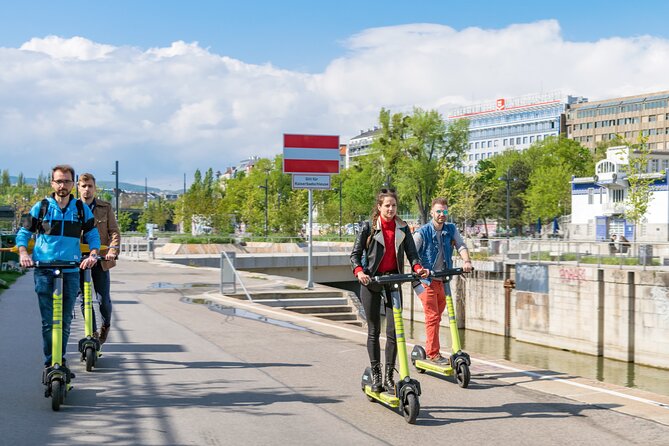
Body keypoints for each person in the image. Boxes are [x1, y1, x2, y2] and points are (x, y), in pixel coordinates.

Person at [17, 165, 100, 370]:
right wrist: (23, 253)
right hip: (44, 269)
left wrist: (93, 253)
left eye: (67, 181)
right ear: (52, 183)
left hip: (71, 270)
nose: (63, 185)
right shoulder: (41, 207)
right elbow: (23, 232)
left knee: (63, 321)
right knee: (48, 322)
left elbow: (93, 234)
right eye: (59, 181)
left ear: (73, 184)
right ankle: (51, 363)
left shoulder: (81, 209)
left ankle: (59, 360)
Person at [350, 188, 428, 392]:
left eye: (394, 205)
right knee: (374, 330)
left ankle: (389, 376)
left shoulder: (402, 229)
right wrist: (359, 272)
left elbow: (413, 255)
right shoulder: (369, 227)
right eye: (387, 205)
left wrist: (418, 268)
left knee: (394, 331)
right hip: (371, 282)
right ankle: (376, 374)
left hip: (393, 282)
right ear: (379, 207)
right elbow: (355, 255)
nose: (391, 209)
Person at [412, 197, 473, 363]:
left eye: (444, 211)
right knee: (432, 316)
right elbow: (411, 255)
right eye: (438, 211)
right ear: (432, 212)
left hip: (442, 280)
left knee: (437, 317)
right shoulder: (422, 232)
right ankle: (433, 354)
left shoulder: (450, 229)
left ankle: (430, 349)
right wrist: (419, 270)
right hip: (425, 281)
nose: (441, 214)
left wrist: (466, 261)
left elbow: (460, 245)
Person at [77, 173, 121, 344]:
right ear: (78, 187)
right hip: (79, 260)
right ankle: (92, 332)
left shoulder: (105, 207)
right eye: (83, 186)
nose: (87, 189)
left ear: (95, 188)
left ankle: (105, 325)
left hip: (101, 260)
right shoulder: (72, 207)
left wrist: (112, 250)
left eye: (90, 186)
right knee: (84, 299)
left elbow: (114, 232)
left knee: (103, 299)